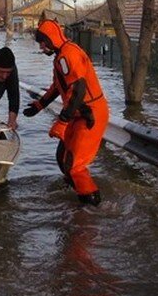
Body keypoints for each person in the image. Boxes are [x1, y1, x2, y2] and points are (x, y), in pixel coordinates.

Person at [23, 19, 109, 206]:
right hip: (78, 112)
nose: (41, 47)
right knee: (63, 158)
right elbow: (58, 87)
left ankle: (91, 209)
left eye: (43, 43)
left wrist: (62, 121)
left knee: (74, 165)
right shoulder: (61, 54)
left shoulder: (67, 55)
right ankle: (76, 199)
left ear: (51, 39)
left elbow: (78, 89)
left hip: (89, 114)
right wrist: (39, 105)